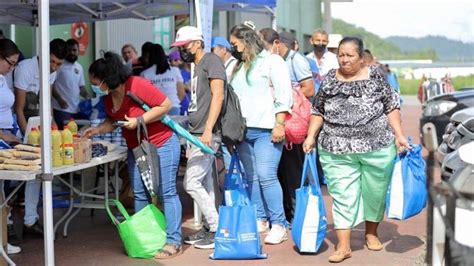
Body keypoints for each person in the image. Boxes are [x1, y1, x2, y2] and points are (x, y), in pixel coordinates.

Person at [302, 37, 410, 263]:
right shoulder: (330, 79)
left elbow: (392, 106)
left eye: (350, 55)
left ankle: (371, 232)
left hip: (376, 146)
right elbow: (317, 110)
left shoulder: (376, 77)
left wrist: (399, 135)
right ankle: (343, 246)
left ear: (362, 58)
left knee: (375, 192)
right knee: (342, 195)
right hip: (336, 147)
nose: (344, 59)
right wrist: (311, 136)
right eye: (341, 54)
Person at [83, 51, 183, 259]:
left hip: (162, 143)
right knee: (138, 192)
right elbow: (113, 120)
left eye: (95, 82)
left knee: (167, 192)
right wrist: (98, 130)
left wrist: (139, 121)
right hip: (136, 149)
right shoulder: (108, 98)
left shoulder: (136, 84)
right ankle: (144, 238)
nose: (94, 86)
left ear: (106, 78)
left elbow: (166, 105)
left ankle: (174, 241)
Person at [229, 22, 292, 244]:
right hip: (243, 131)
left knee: (266, 175)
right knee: (251, 177)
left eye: (235, 43)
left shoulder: (272, 61)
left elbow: (285, 93)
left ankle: (279, 224)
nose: (233, 48)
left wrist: (280, 123)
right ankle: (260, 218)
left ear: (246, 41)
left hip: (267, 129)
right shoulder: (235, 66)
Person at [170, 26, 225, 250]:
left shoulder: (211, 61)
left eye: (185, 45)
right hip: (196, 133)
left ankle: (216, 227)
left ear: (198, 43)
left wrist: (208, 131)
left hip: (205, 133)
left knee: (191, 182)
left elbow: (218, 95)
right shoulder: (197, 65)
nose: (182, 50)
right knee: (205, 183)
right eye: (180, 47)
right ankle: (210, 226)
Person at [260, 29, 314, 222]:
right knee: (281, 172)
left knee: (293, 173)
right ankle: (287, 213)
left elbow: (309, 88)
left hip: (292, 125)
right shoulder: (272, 62)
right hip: (279, 122)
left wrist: (284, 90)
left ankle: (298, 215)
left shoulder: (295, 60)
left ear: (276, 43)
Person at [13, 38, 66, 236]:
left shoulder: (53, 72)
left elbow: (47, 103)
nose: (53, 67)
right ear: (43, 54)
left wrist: (53, 129)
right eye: (51, 61)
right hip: (17, 125)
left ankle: (30, 220)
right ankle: (8, 222)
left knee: (38, 172)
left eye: (58, 64)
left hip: (36, 125)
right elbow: (19, 109)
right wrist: (29, 140)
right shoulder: (26, 68)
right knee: (12, 178)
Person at [0, 38, 22, 255]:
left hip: (8, 136)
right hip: (2, 138)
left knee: (5, 192)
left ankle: (3, 238)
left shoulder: (2, 79)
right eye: (10, 63)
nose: (12, 68)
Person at [52, 39, 88, 128]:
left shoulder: (79, 67)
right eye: (69, 50)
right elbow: (51, 85)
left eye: (74, 50)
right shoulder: (59, 65)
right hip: (61, 109)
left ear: (78, 51)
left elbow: (81, 87)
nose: (72, 52)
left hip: (77, 110)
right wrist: (59, 99)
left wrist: (89, 99)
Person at [140, 43, 186, 116]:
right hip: (173, 107)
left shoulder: (145, 74)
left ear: (149, 57)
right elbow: (182, 93)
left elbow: (144, 96)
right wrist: (174, 102)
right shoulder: (175, 71)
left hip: (155, 110)